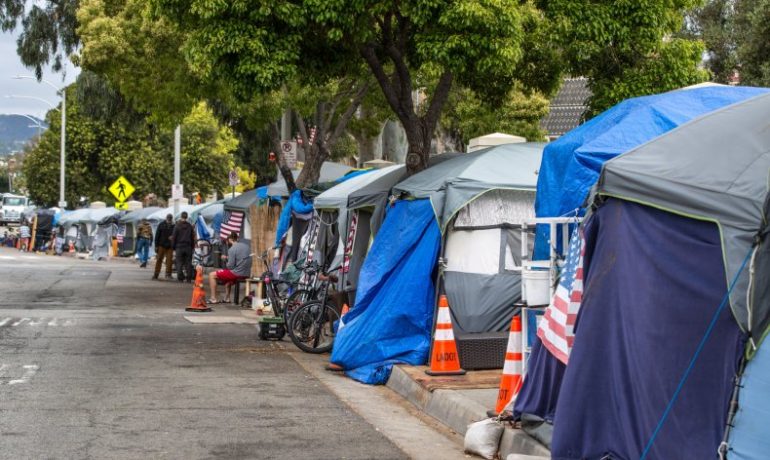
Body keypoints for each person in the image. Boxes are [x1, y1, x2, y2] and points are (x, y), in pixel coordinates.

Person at [208, 232, 252, 304]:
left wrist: (225, 259)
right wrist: (229, 258)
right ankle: (227, 298)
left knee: (211, 275)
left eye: (227, 240)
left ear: (230, 239)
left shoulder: (232, 249)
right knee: (227, 277)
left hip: (237, 273)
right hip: (247, 273)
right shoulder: (246, 246)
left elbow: (230, 266)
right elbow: (241, 259)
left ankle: (213, 298)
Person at [171, 211, 195, 282]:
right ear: (187, 217)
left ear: (181, 216)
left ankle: (180, 277)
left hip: (179, 247)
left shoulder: (177, 226)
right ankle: (188, 278)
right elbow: (192, 237)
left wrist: (173, 247)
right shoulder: (190, 226)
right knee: (188, 262)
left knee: (179, 262)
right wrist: (192, 247)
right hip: (188, 247)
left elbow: (174, 237)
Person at [153, 214, 175, 280]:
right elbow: (157, 235)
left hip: (170, 246)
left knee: (169, 261)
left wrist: (173, 238)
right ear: (166, 218)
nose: (169, 220)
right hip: (161, 245)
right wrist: (156, 245)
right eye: (168, 218)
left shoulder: (174, 225)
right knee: (159, 259)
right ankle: (156, 274)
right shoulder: (161, 225)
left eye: (170, 218)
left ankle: (168, 274)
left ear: (171, 219)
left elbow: (176, 235)